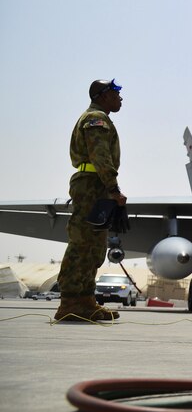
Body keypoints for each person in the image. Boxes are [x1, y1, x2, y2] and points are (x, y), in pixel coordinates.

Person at [54, 79, 128, 322]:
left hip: (96, 186)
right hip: (91, 186)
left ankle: (85, 300)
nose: (120, 97)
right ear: (103, 95)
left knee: (94, 245)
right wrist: (114, 188)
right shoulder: (95, 119)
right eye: (116, 92)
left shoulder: (100, 118)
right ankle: (70, 302)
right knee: (83, 244)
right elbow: (100, 155)